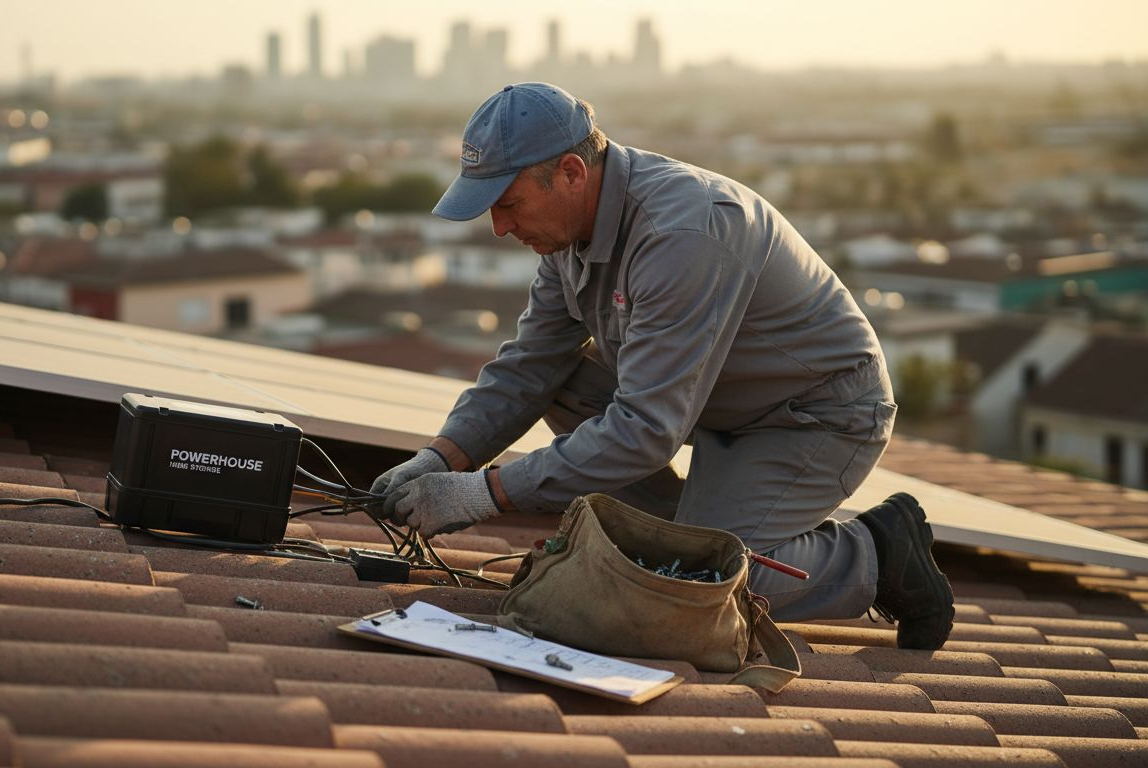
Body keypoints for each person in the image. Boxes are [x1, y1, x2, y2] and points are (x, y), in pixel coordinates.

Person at [371, 82, 953, 650]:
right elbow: (528, 367)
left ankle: (877, 551)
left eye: (508, 203)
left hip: (812, 414)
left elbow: (647, 430)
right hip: (713, 403)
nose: (500, 227)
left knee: (693, 582)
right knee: (564, 386)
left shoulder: (683, 232)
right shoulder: (569, 233)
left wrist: (482, 494)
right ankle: (671, 538)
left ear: (572, 173)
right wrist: (442, 456)